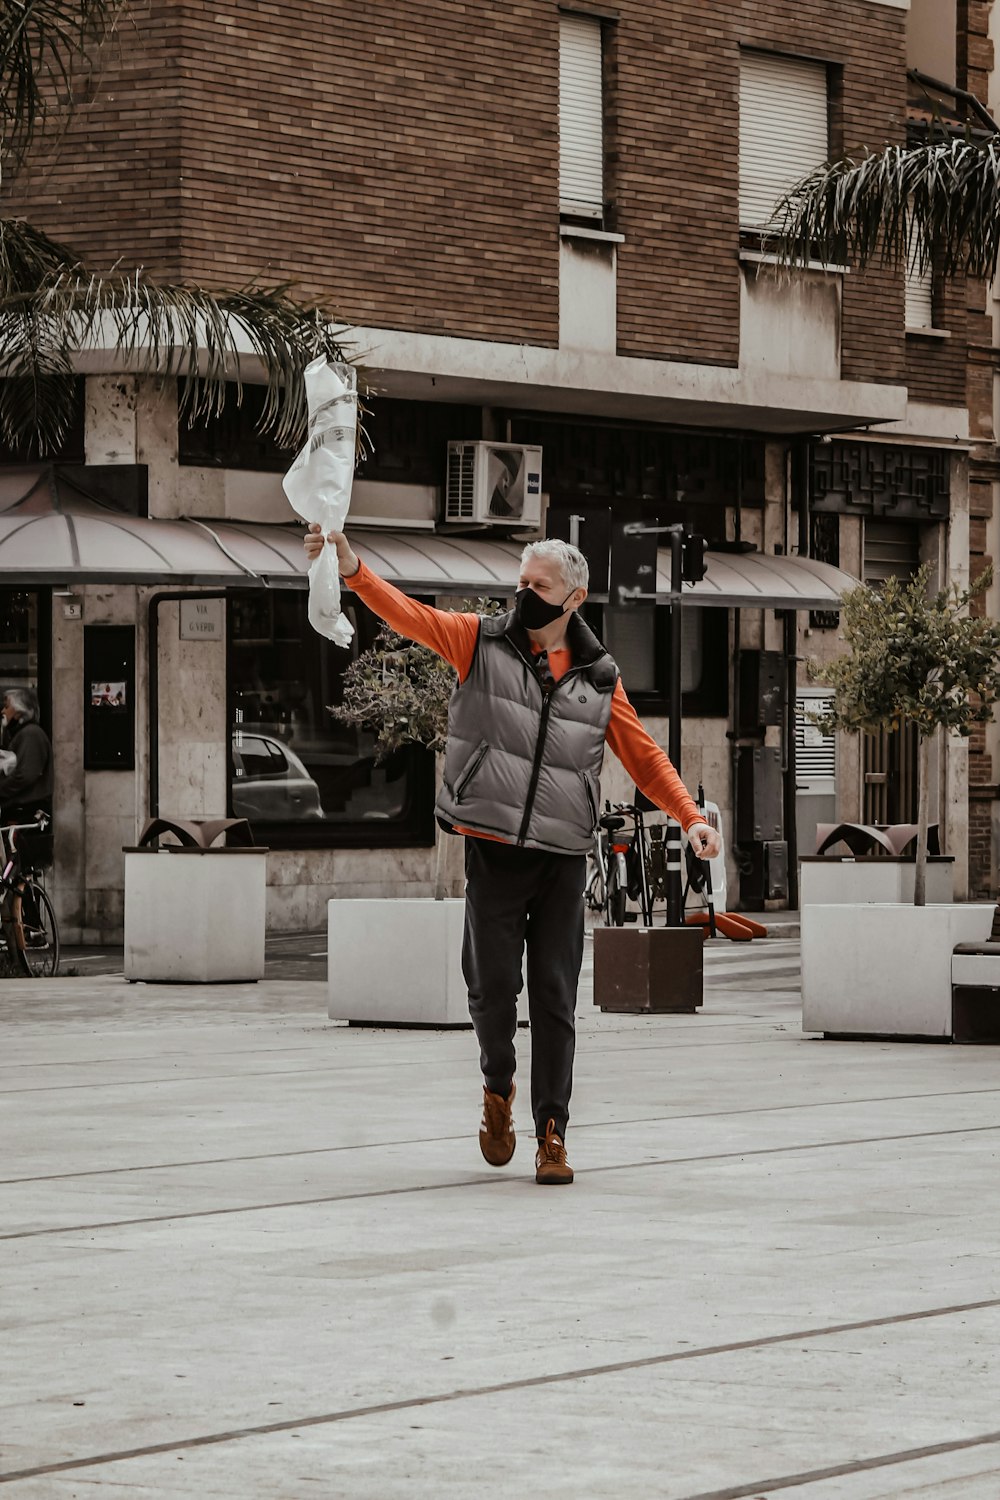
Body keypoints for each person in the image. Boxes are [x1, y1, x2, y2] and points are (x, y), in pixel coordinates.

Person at [304, 525, 721, 1185]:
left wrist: (691, 818)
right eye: (520, 582)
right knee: (493, 989)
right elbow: (409, 616)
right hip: (493, 850)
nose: (523, 594)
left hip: (561, 858)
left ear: (573, 598)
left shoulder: (599, 678)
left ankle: (552, 1134)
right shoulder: (480, 641)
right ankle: (497, 1087)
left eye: (538, 586)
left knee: (555, 997)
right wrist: (352, 568)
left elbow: (643, 758)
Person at [0, 688, 53, 934]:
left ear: (19, 709)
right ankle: (26, 926)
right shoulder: (24, 733)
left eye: (7, 705)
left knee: (14, 867)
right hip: (20, 809)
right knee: (15, 869)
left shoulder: (31, 734)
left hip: (24, 812)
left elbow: (25, 774)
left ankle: (30, 926)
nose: (3, 709)